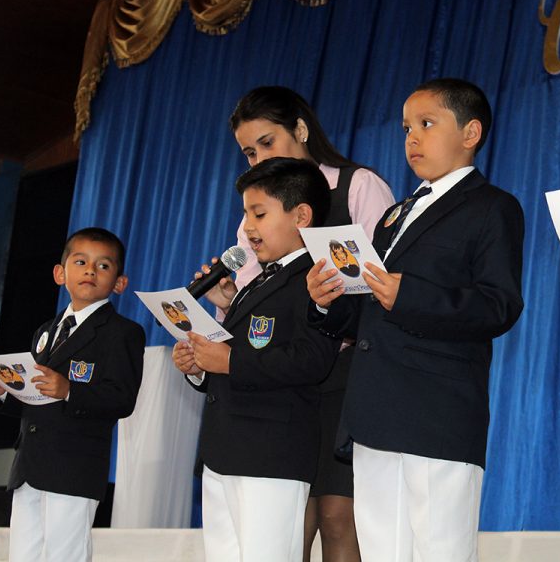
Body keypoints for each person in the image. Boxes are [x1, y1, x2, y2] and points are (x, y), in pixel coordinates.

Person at [307, 78, 524, 561]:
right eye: (407, 127)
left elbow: (498, 305)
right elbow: (368, 307)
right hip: (374, 411)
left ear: (471, 133)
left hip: (437, 413)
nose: (412, 138)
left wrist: (410, 295)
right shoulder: (394, 215)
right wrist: (327, 302)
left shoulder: (493, 207)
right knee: (383, 550)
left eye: (427, 124)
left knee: (438, 550)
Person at [209, 85, 394, 561]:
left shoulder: (357, 186)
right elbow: (251, 317)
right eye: (249, 152)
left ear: (302, 130)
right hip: (281, 386)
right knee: (291, 520)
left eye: (267, 143)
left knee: (336, 516)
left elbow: (384, 283)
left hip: (344, 376)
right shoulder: (253, 218)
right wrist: (227, 301)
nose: (256, 159)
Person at [173, 158, 342, 562]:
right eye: (245, 213)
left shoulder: (318, 277)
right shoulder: (255, 283)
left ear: (301, 216)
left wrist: (229, 360)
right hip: (224, 453)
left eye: (259, 213)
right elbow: (243, 353)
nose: (247, 227)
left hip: (271, 456)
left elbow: (311, 360)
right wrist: (200, 366)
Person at [0, 227, 145, 562]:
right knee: (23, 554)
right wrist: (3, 391)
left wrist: (71, 390)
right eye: (81, 261)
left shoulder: (122, 333)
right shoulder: (46, 330)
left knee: (64, 554)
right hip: (29, 467)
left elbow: (122, 398)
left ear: (120, 283)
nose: (90, 271)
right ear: (60, 273)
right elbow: (36, 395)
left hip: (74, 468)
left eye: (103, 266)